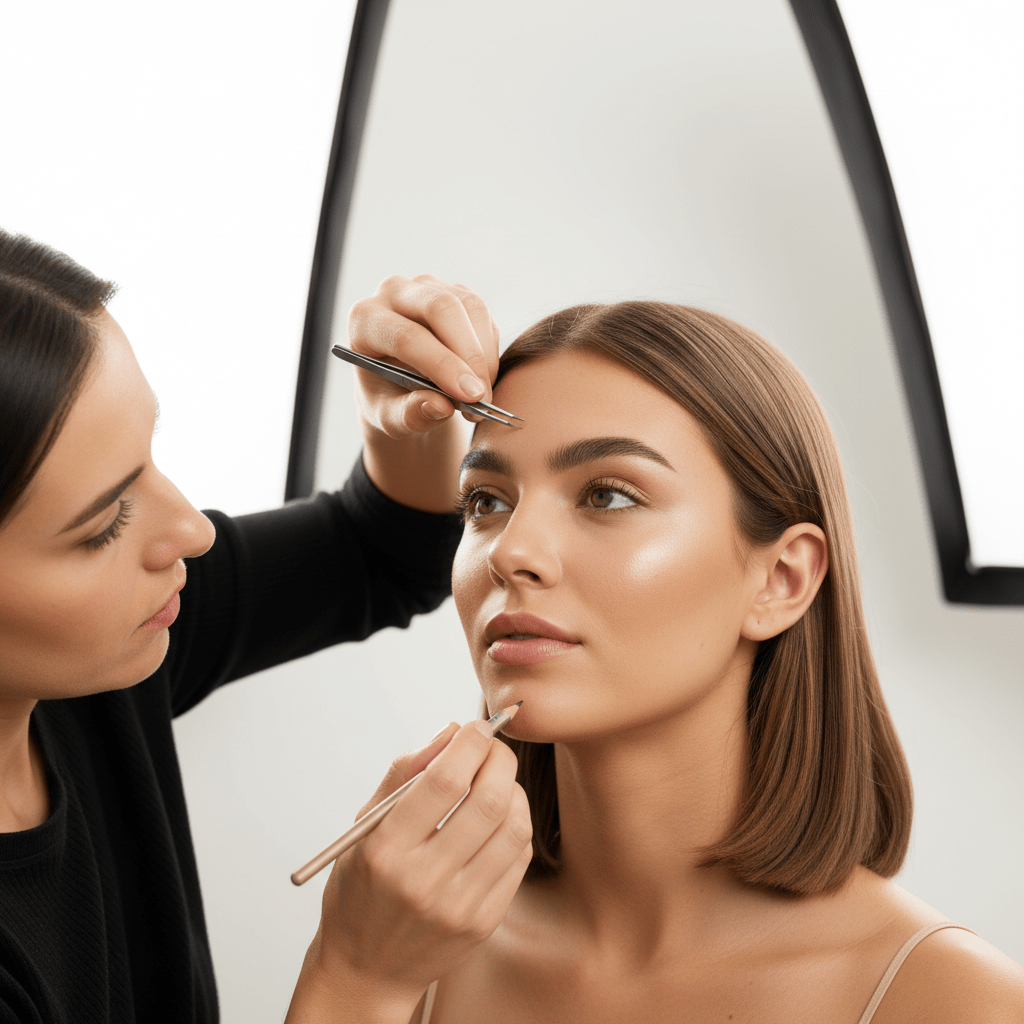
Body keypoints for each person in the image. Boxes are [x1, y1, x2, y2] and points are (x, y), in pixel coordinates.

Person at [301, 299, 1024, 1023]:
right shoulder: (410, 946)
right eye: (486, 501)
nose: (512, 552)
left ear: (783, 581)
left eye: (607, 495)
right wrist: (355, 981)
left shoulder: (957, 1003)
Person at [0, 231, 530, 1023]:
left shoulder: (97, 656)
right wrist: (358, 979)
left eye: (151, 457)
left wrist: (403, 422)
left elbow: (377, 556)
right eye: (106, 521)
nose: (194, 531)